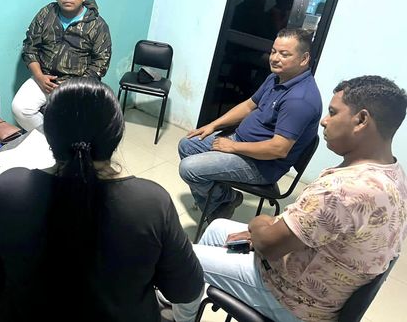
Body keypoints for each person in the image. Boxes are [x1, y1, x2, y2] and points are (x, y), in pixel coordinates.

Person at [0, 78, 203, 322]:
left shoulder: (8, 188)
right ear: (117, 135)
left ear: (49, 134)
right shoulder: (151, 202)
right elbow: (186, 290)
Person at [173, 75, 407, 321]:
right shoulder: (393, 174)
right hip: (312, 271)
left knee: (182, 259)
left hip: (295, 300)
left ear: (361, 120)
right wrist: (269, 233)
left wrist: (261, 224)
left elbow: (268, 245)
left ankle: (180, 316)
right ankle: (188, 302)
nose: (325, 121)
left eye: (333, 113)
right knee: (217, 228)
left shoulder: (343, 190)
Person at [179, 28, 321, 220]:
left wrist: (233, 147)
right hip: (240, 142)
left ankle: (222, 202)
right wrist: (213, 125)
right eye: (273, 51)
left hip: (262, 164)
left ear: (304, 59)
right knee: (187, 144)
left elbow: (278, 149)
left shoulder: (300, 100)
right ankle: (221, 200)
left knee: (189, 168)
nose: (275, 58)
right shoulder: (276, 78)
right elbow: (248, 106)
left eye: (284, 54)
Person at [11, 0, 111, 131]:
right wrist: (39, 76)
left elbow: (101, 63)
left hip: (78, 85)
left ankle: (62, 141)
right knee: (20, 108)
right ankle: (51, 139)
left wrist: (74, 87)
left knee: (72, 121)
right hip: (44, 78)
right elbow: (30, 47)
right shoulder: (46, 14)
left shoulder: (97, 25)